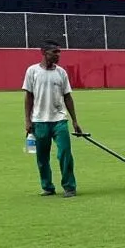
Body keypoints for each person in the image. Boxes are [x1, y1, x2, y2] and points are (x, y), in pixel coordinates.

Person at [22, 40, 83, 197]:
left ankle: (69, 186)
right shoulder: (32, 71)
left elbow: (68, 96)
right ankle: (47, 187)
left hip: (59, 120)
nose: (58, 55)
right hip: (39, 121)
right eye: (54, 52)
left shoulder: (61, 73)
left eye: (59, 52)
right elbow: (28, 96)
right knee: (42, 157)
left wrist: (75, 120)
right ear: (43, 52)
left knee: (65, 153)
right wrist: (28, 120)